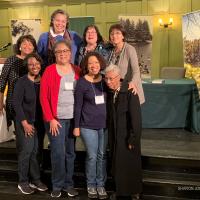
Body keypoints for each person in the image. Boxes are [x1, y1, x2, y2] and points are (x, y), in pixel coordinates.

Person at [40, 40, 80, 198]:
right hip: (55, 120)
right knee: (57, 152)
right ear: (55, 54)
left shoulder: (77, 70)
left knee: (70, 153)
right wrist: (50, 118)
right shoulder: (49, 71)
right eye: (59, 52)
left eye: (65, 51)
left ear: (70, 53)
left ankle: (68, 185)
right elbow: (43, 97)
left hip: (72, 120)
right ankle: (57, 185)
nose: (63, 54)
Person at [105, 64, 142, 200]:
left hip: (127, 135)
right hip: (115, 135)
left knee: (131, 163)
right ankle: (120, 191)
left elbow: (136, 119)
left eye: (111, 79)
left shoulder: (130, 92)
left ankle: (134, 191)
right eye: (106, 79)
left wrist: (133, 138)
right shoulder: (111, 92)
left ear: (119, 77)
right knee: (118, 164)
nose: (108, 82)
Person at [74, 52, 108, 199]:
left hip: (104, 125)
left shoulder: (105, 80)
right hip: (87, 125)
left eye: (96, 62)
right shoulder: (82, 82)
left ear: (100, 63)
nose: (94, 65)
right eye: (90, 63)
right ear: (86, 66)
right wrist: (76, 126)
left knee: (102, 155)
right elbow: (78, 106)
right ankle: (91, 185)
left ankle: (101, 185)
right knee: (92, 156)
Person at [12, 53, 48, 195]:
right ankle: (23, 181)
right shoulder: (21, 81)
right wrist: (25, 123)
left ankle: (36, 179)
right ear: (27, 66)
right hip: (25, 122)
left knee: (35, 152)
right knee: (26, 151)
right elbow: (16, 103)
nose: (34, 66)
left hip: (39, 123)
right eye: (31, 64)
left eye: (37, 63)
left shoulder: (42, 81)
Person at [0, 35, 37, 128]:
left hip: (33, 103)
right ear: (19, 46)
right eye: (24, 43)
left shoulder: (36, 61)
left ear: (34, 47)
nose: (27, 46)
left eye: (30, 44)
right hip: (15, 102)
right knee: (21, 132)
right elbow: (2, 82)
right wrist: (0, 102)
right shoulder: (11, 60)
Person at [108, 23, 145, 104]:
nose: (114, 36)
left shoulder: (130, 49)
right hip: (118, 92)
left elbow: (136, 72)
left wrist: (132, 84)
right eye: (112, 34)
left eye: (117, 33)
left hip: (130, 90)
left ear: (123, 36)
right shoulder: (111, 51)